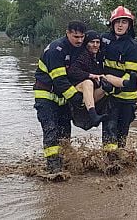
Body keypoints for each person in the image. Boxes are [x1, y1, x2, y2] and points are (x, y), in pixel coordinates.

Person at [33, 20, 86, 175]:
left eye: (82, 37)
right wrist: (77, 99)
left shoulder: (78, 49)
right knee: (51, 130)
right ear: (67, 33)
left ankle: (65, 162)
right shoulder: (55, 50)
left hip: (62, 98)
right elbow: (60, 80)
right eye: (76, 36)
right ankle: (53, 169)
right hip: (46, 96)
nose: (80, 40)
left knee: (65, 132)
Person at [100, 5, 137, 155]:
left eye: (124, 22)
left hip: (126, 99)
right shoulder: (103, 40)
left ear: (129, 25)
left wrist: (114, 84)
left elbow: (131, 77)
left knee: (121, 135)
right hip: (109, 97)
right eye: (117, 21)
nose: (120, 25)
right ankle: (109, 163)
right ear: (112, 24)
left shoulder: (133, 48)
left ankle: (120, 160)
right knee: (108, 130)